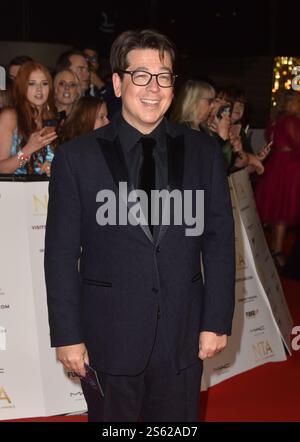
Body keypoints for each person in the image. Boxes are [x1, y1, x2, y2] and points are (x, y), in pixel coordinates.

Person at [45, 29, 235, 422]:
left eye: (163, 76)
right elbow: (62, 254)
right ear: (117, 83)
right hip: (107, 336)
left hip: (183, 336)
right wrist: (67, 334)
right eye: (141, 75)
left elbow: (219, 241)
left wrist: (216, 320)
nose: (154, 87)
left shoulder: (204, 153)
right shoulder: (77, 159)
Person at [255, 90, 300, 268]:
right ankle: (278, 251)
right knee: (283, 211)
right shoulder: (291, 121)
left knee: (277, 210)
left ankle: (274, 249)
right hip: (289, 168)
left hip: (277, 165)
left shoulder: (276, 120)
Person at [0, 61, 57, 175]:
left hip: (43, 191)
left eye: (44, 83)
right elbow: (2, 169)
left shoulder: (51, 119)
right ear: (22, 87)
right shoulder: (10, 117)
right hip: (13, 190)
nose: (39, 89)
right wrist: (28, 150)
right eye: (32, 83)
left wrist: (52, 168)